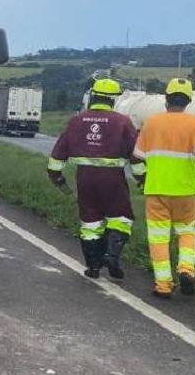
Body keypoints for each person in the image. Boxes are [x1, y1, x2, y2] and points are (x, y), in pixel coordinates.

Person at [47, 78, 140, 280]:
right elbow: (136, 156)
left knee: (90, 223)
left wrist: (58, 180)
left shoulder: (76, 121)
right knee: (121, 218)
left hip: (85, 179)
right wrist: (142, 178)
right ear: (113, 100)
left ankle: (93, 267)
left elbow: (56, 158)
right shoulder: (122, 122)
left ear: (93, 96)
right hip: (113, 180)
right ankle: (111, 255)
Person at [132, 78, 195, 299]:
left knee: (159, 239)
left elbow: (136, 157)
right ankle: (186, 270)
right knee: (186, 234)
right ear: (188, 100)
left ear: (167, 99)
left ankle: (163, 286)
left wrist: (141, 178)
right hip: (186, 193)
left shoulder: (152, 123)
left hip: (156, 191)